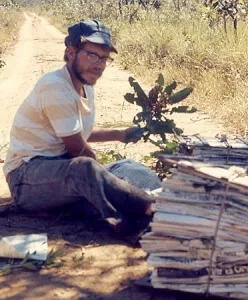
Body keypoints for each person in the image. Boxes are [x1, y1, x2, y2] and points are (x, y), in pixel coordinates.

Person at [3, 19, 161, 241]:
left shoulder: (86, 85)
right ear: (71, 52)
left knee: (130, 167)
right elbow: (78, 149)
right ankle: (146, 211)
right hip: (26, 178)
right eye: (92, 55)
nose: (99, 64)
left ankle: (145, 201)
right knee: (86, 169)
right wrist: (104, 176)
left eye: (104, 58)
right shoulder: (55, 86)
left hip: (60, 169)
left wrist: (120, 134)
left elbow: (78, 132)